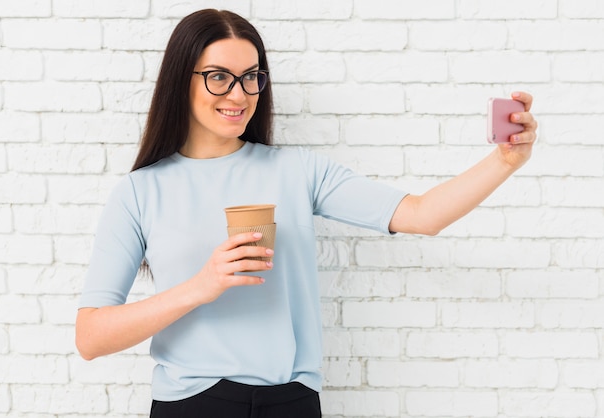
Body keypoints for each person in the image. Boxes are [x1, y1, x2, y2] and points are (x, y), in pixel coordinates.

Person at [75, 9, 538, 418]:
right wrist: (201, 286)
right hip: (192, 403)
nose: (239, 94)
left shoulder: (298, 170)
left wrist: (504, 161)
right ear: (182, 79)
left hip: (291, 401)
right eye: (219, 76)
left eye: (252, 77)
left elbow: (422, 214)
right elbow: (91, 337)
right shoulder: (139, 191)